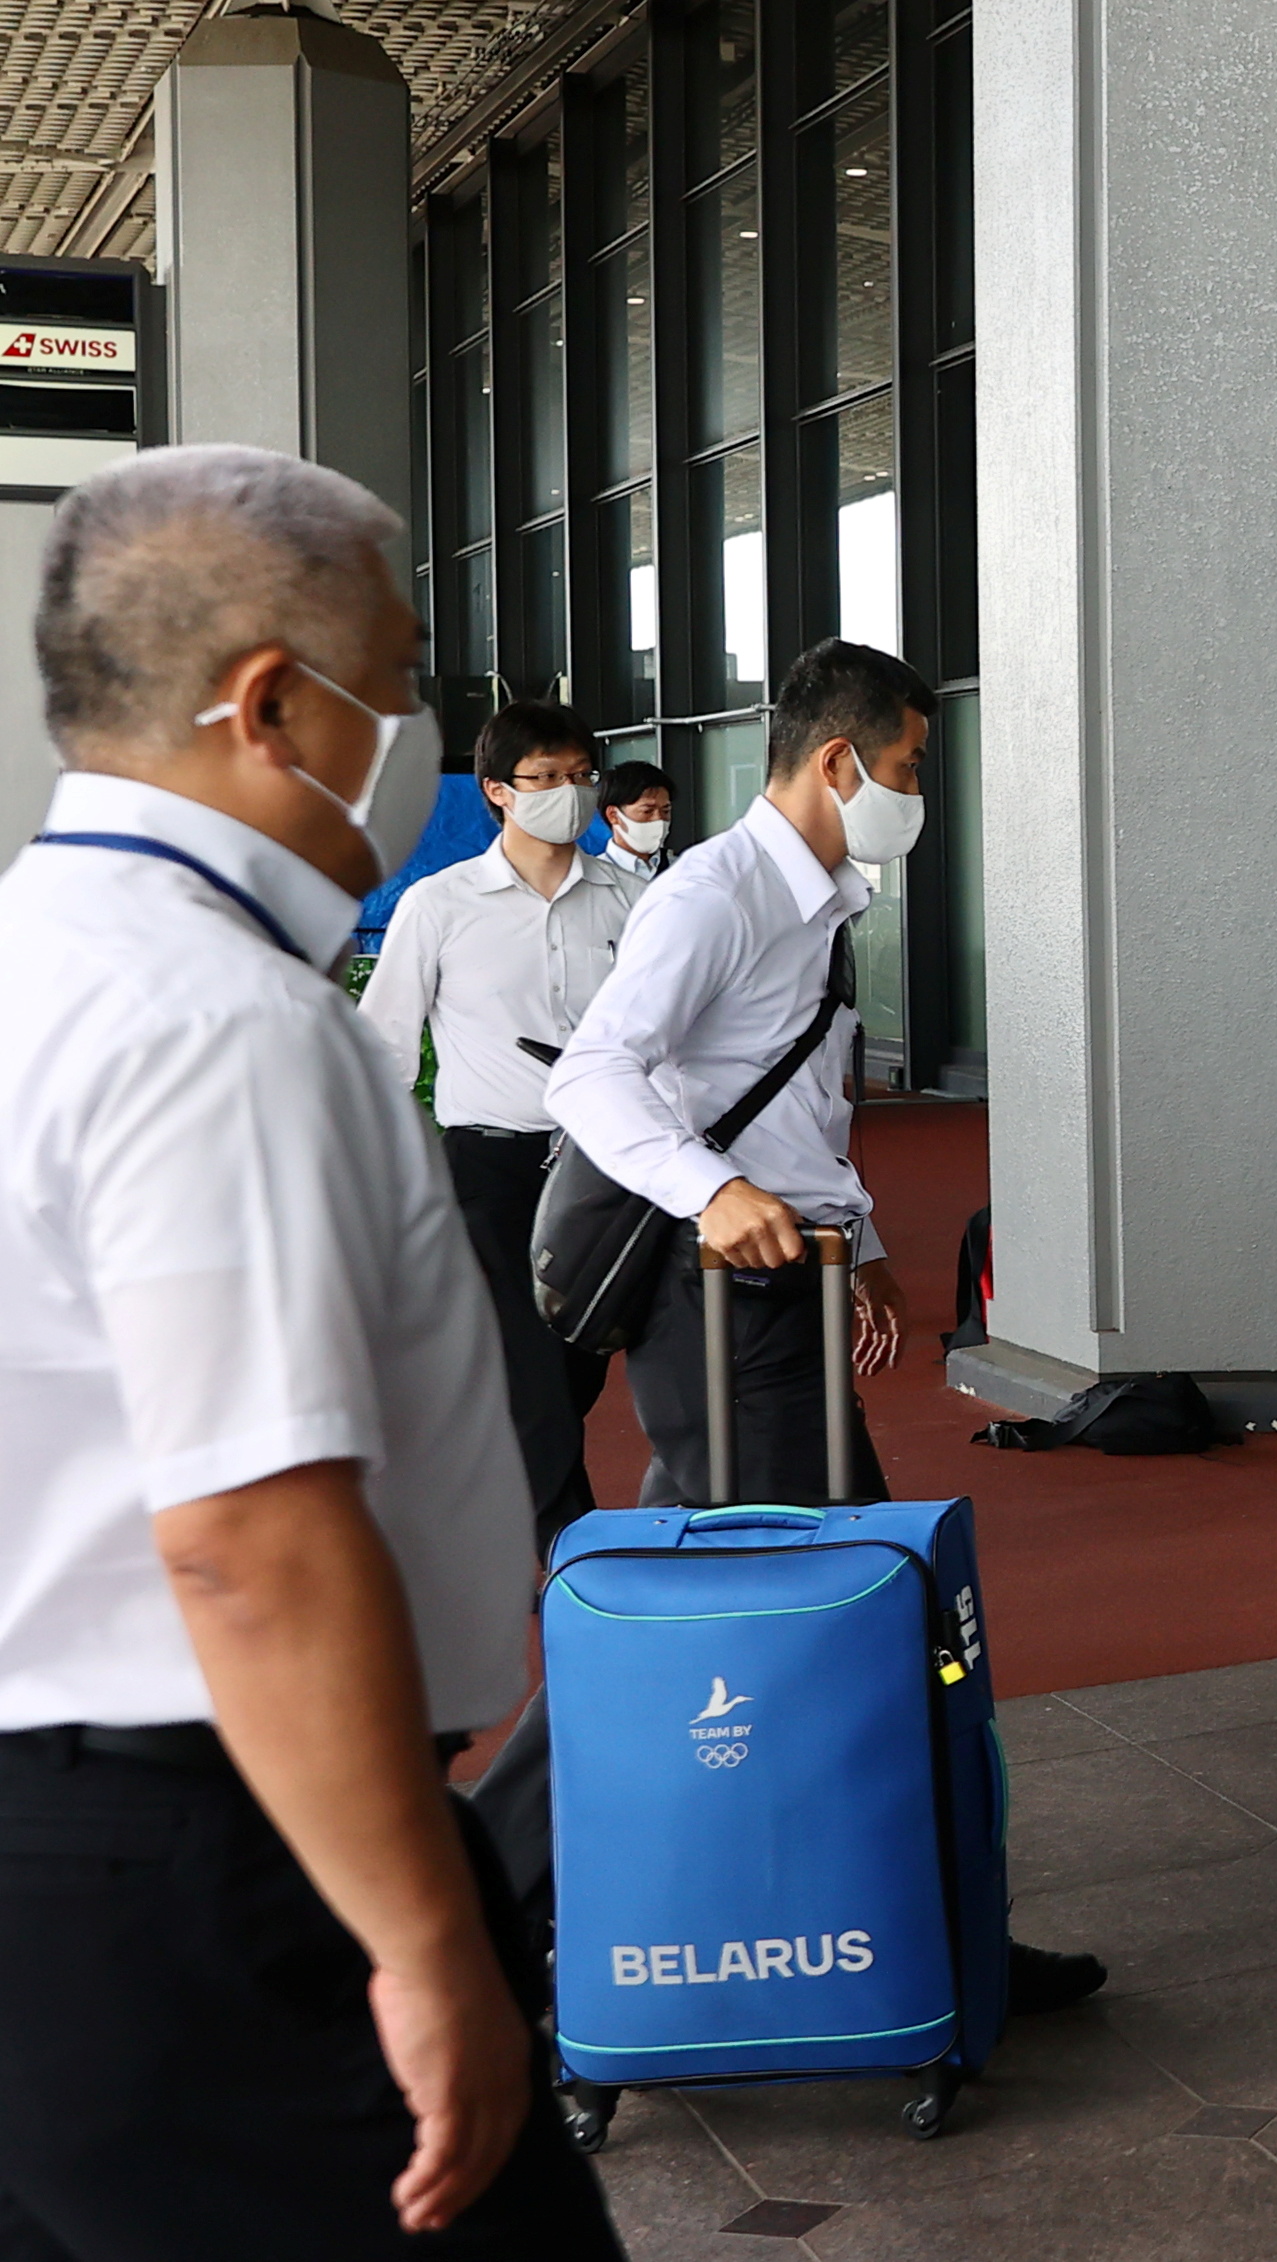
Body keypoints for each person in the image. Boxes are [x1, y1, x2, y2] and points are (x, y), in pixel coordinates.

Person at [0, 445, 620, 2252]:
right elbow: (252, 1543)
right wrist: (430, 1938)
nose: (416, 726)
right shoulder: (217, 1019)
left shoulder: (41, 954)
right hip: (213, 1853)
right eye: (404, 676)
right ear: (271, 703)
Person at [540, 636, 1102, 2018]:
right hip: (709, 1295)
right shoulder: (715, 896)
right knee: (779, 1616)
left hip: (783, 1283)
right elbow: (597, 1078)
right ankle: (531, 1902)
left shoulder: (820, 901)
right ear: (842, 761)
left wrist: (868, 1245)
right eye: (908, 766)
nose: (918, 790)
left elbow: (795, 1107)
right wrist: (714, 1188)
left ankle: (922, 1916)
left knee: (836, 1602)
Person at [359, 702, 643, 1559]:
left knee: (573, 1365)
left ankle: (494, 1501)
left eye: (581, 776)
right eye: (546, 779)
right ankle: (571, 1554)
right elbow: (382, 1047)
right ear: (496, 792)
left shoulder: (635, 901)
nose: (570, 793)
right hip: (490, 1166)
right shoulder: (437, 905)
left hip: (605, 1169)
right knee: (528, 1368)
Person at [597, 758, 673, 878]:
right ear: (613, 815)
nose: (659, 819)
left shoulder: (685, 871)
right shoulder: (593, 876)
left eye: (665, 811)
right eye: (647, 811)